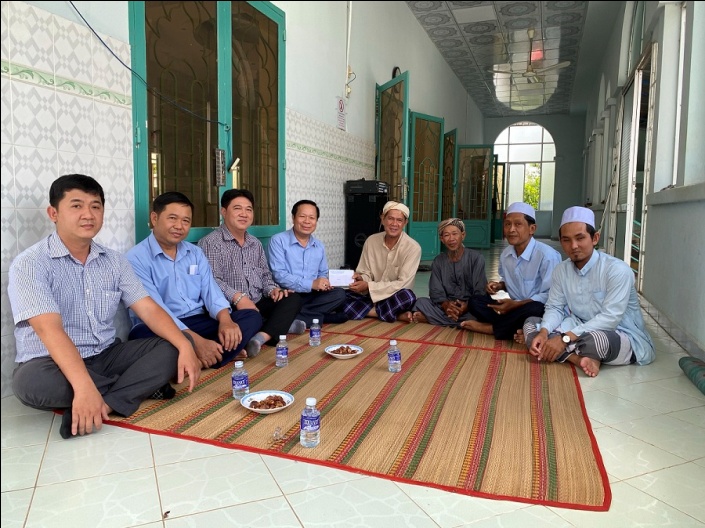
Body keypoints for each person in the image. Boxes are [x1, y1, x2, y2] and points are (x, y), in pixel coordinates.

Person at [8, 174, 201, 440]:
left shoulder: (114, 261)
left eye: (96, 206)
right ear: (54, 212)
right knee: (28, 383)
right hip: (49, 362)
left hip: (106, 356)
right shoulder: (30, 263)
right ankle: (135, 389)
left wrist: (183, 345)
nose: (88, 214)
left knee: (175, 343)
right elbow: (48, 330)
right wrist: (82, 383)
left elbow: (148, 308)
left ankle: (105, 405)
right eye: (76, 205)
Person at [126, 192, 261, 369]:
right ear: (154, 218)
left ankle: (196, 359)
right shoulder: (135, 258)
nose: (179, 226)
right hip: (159, 327)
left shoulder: (195, 253)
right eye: (172, 218)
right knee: (143, 339)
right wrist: (195, 341)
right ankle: (216, 353)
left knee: (251, 317)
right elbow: (154, 311)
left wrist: (225, 320)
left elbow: (211, 291)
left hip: (199, 320)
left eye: (186, 221)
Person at [522, 206, 655, 377]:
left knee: (596, 341)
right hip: (577, 326)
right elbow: (555, 307)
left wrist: (564, 339)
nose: (574, 246)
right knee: (531, 325)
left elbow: (610, 318)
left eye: (580, 238)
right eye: (566, 240)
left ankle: (573, 351)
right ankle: (579, 359)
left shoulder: (617, 270)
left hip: (618, 332)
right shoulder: (561, 270)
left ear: (595, 238)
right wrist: (544, 332)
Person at [198, 189, 303, 359]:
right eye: (237, 208)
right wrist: (238, 298)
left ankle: (260, 337)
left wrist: (272, 290)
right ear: (224, 212)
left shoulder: (254, 243)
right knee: (248, 318)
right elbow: (211, 281)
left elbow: (265, 275)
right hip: (231, 308)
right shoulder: (211, 242)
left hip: (258, 300)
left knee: (292, 298)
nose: (244, 214)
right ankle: (277, 326)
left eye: (249, 209)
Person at [463, 202, 562, 340]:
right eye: (507, 224)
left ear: (532, 228)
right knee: (475, 301)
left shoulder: (547, 256)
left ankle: (493, 328)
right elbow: (509, 281)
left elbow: (551, 296)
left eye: (518, 224)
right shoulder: (505, 255)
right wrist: (500, 286)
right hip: (514, 308)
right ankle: (513, 327)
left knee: (536, 308)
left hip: (533, 308)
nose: (511, 229)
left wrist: (517, 305)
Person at [268, 199, 347, 326]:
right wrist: (311, 284)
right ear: (293, 218)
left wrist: (323, 282)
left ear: (316, 221)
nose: (307, 221)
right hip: (289, 294)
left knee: (339, 294)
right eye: (302, 216)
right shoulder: (278, 241)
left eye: (312, 218)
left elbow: (322, 272)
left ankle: (298, 316)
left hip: (312, 295)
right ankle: (322, 318)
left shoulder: (319, 245)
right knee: (285, 303)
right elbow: (279, 275)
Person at [342, 201, 421, 322]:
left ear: (405, 223)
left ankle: (367, 311)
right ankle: (394, 315)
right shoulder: (371, 241)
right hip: (369, 295)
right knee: (339, 296)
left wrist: (369, 286)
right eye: (390, 218)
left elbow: (403, 284)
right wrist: (361, 279)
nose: (394, 224)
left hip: (394, 295)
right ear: (382, 219)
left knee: (408, 297)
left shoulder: (413, 248)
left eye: (399, 220)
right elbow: (365, 272)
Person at [412, 218, 487, 327]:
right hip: (445, 307)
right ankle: (466, 324)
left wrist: (466, 306)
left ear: (463, 235)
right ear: (442, 239)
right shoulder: (438, 261)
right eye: (446, 235)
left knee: (485, 309)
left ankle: (432, 319)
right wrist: (446, 305)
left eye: (455, 234)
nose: (451, 239)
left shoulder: (476, 258)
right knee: (420, 302)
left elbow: (480, 290)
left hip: (470, 308)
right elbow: (435, 290)